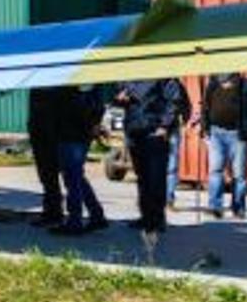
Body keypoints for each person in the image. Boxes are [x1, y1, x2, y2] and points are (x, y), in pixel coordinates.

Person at [116, 78, 184, 234]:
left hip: (154, 131)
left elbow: (174, 101)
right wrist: (120, 98)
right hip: (134, 130)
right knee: (142, 178)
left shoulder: (164, 75)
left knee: (156, 178)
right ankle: (146, 217)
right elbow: (120, 97)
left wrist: (165, 126)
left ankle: (157, 220)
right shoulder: (129, 76)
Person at [50, 86, 108, 236]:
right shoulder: (90, 84)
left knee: (72, 177)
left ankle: (75, 221)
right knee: (76, 176)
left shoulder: (77, 83)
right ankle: (96, 215)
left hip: (72, 133)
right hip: (76, 132)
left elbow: (80, 106)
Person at [201, 71, 247, 219]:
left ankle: (238, 208)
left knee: (239, 175)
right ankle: (215, 206)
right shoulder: (213, 83)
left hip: (238, 134)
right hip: (216, 133)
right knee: (215, 170)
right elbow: (205, 107)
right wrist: (204, 128)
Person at [27, 87, 65, 227]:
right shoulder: (40, 84)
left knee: (50, 175)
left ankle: (54, 213)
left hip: (48, 133)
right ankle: (52, 211)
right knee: (47, 176)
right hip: (43, 131)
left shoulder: (51, 86)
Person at [167, 82, 194, 208]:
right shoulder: (153, 83)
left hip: (171, 129)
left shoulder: (176, 84)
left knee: (172, 166)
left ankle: (169, 198)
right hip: (154, 128)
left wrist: (185, 119)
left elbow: (186, 104)